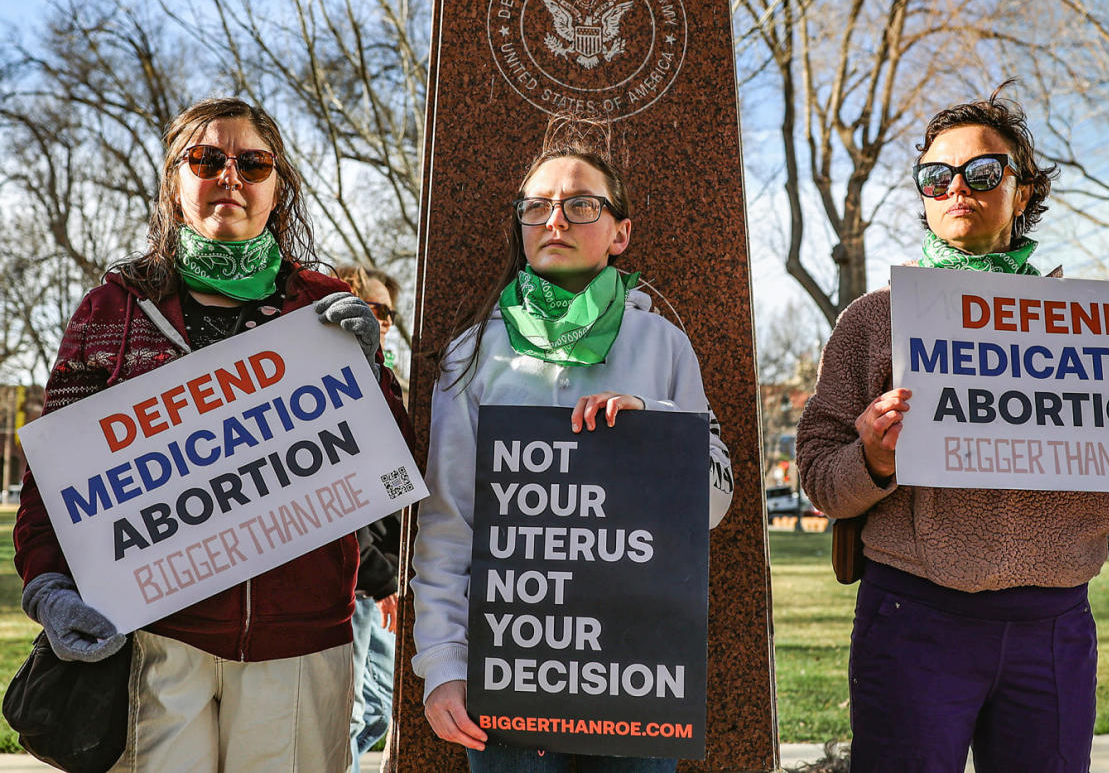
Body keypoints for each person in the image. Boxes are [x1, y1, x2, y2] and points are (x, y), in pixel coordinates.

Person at [795, 85, 1109, 773]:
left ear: (1023, 191)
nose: (956, 189)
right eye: (936, 177)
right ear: (922, 192)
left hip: (1055, 628)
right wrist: (874, 460)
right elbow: (820, 480)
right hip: (913, 620)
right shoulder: (872, 320)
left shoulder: (1101, 329)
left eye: (982, 173)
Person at [13, 97, 412, 772]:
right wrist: (47, 586)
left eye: (253, 163)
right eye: (207, 159)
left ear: (278, 187)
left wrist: (374, 372)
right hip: (157, 639)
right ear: (174, 181)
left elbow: (394, 472)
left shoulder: (321, 305)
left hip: (304, 642)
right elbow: (53, 479)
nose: (230, 175)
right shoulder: (111, 309)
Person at [410, 116, 734, 773]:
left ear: (620, 233)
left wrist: (656, 430)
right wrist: (442, 666)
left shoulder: (663, 345)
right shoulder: (473, 353)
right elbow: (448, 523)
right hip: (511, 667)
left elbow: (716, 502)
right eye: (536, 206)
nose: (554, 219)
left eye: (580, 204)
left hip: (637, 669)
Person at [336, 264, 405, 771]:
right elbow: (338, 501)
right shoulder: (336, 385)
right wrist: (381, 577)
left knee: (376, 711)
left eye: (389, 314)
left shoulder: (387, 385)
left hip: (383, 581)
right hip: (357, 584)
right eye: (374, 310)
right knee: (353, 717)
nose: (383, 322)